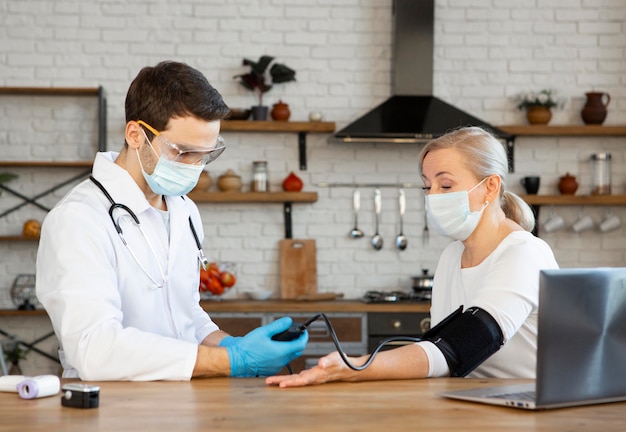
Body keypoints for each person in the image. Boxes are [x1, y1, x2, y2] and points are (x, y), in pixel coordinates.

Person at [36, 61, 308, 381]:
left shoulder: (184, 210)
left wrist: (229, 344)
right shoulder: (78, 221)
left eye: (206, 154)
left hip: (181, 400)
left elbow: (185, 314)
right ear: (136, 135)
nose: (195, 166)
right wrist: (230, 361)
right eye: (183, 152)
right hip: (110, 407)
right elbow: (95, 348)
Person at [267, 126, 559, 388]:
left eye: (445, 186)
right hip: (470, 403)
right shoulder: (451, 256)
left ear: (490, 187)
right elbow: (439, 349)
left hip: (525, 408)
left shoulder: (524, 254)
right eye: (426, 186)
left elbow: (459, 347)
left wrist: (355, 367)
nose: (432, 197)